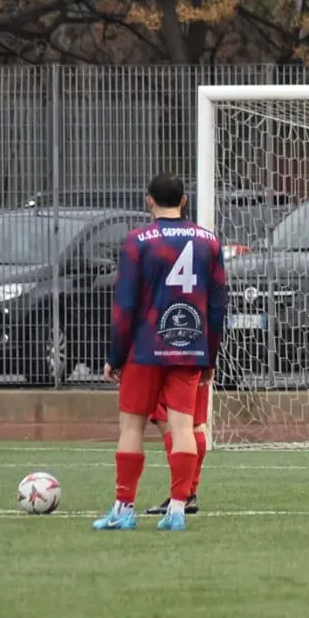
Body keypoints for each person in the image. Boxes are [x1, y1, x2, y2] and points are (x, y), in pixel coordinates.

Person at [93, 173, 227, 530]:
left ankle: (123, 510)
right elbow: (217, 306)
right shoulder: (209, 241)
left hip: (146, 348)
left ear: (148, 199)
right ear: (184, 201)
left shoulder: (138, 241)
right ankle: (178, 510)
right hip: (190, 346)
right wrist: (209, 356)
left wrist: (116, 355)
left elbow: (124, 304)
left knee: (131, 426)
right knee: (184, 425)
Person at [145, 380, 210, 515]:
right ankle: (189, 494)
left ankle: (180, 496)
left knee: (166, 417)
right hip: (198, 361)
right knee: (194, 423)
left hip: (167, 362)